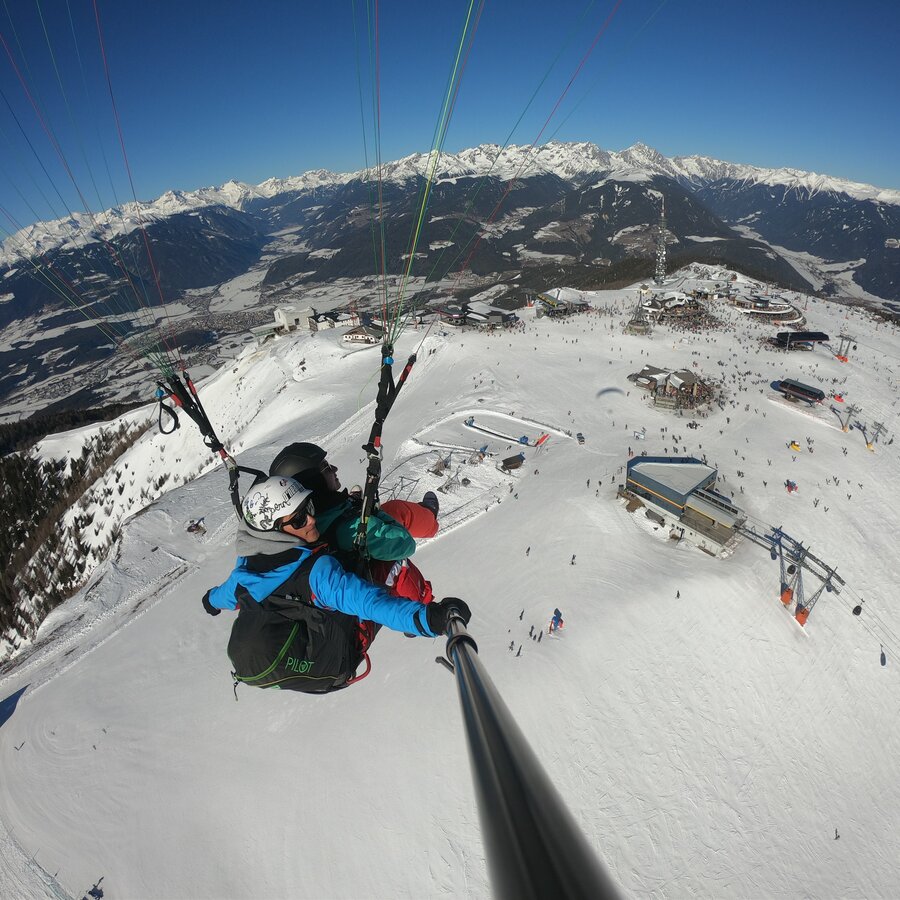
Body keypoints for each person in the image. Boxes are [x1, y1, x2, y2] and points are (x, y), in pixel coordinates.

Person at [202, 475, 470, 693]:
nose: (310, 519)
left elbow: (224, 595)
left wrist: (209, 602)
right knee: (396, 562)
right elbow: (370, 603)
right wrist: (430, 618)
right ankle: (419, 604)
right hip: (347, 642)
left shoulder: (245, 569)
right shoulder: (318, 575)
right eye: (298, 519)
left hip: (305, 650)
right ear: (274, 530)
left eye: (308, 508)